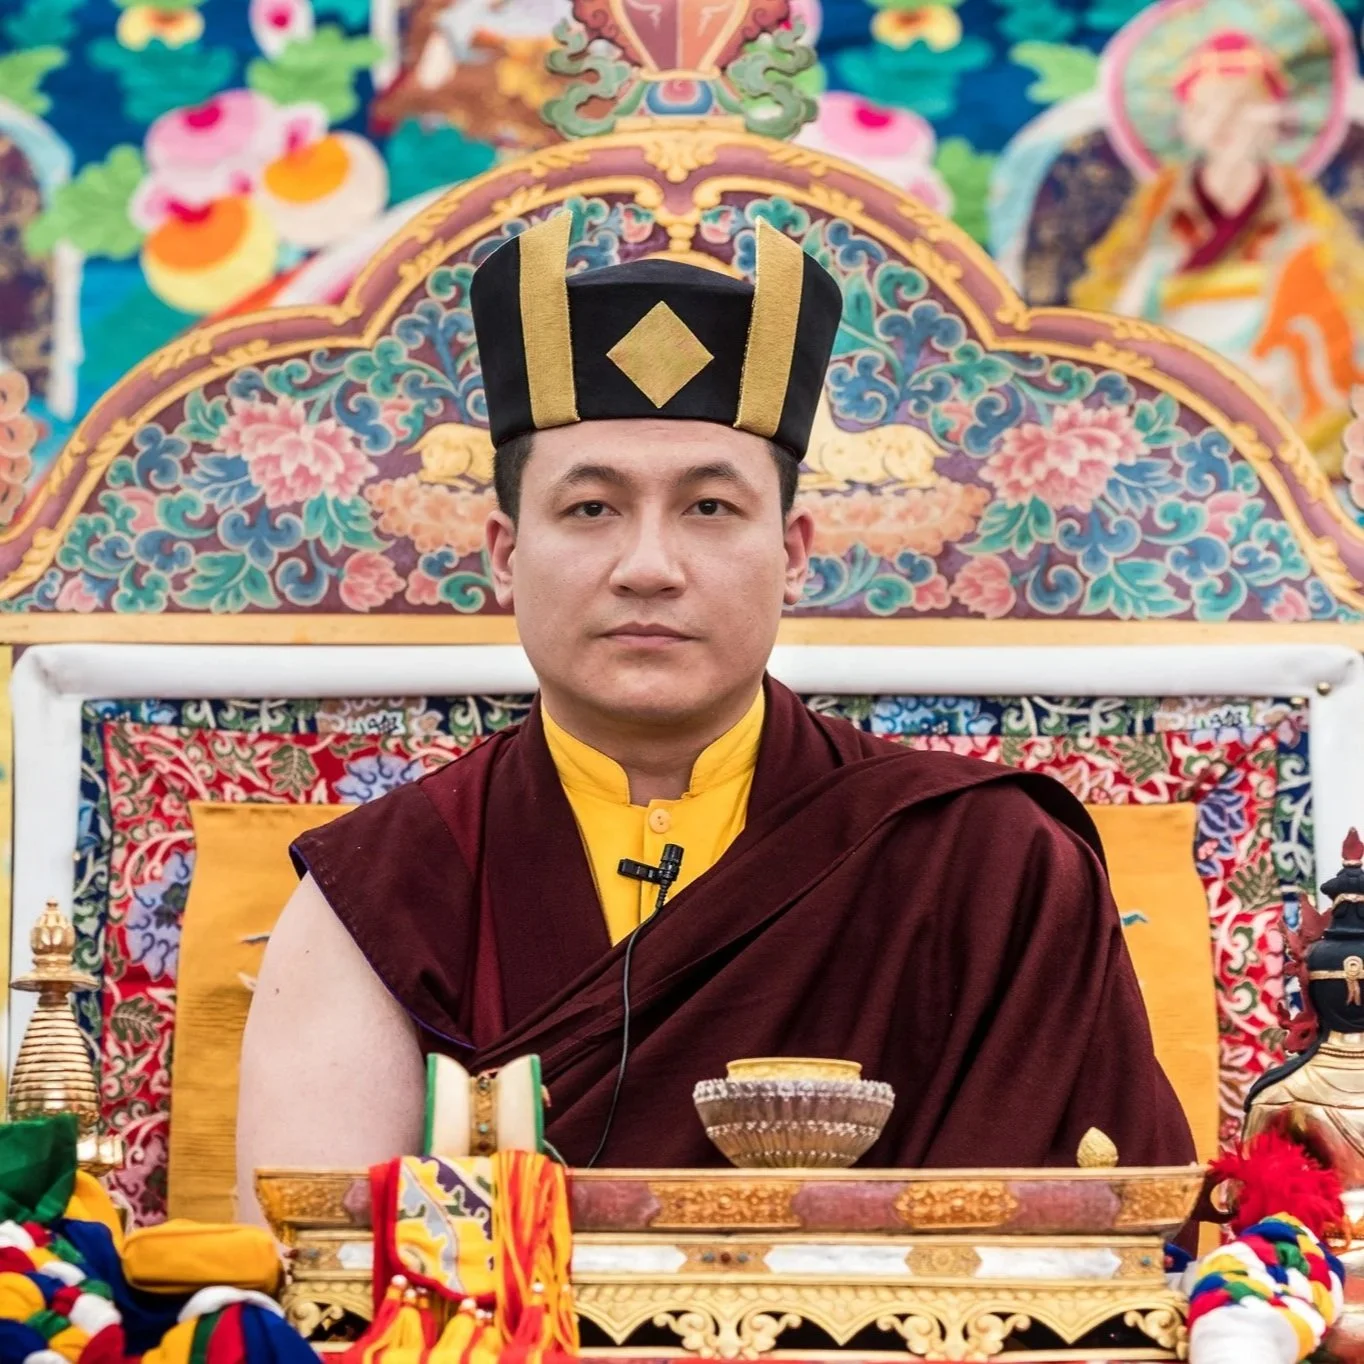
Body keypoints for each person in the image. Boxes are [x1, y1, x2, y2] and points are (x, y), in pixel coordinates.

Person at [236, 214, 1194, 1222]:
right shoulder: (384, 890)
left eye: (707, 508)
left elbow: (1107, 1264)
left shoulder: (990, 865)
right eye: (591, 508)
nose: (648, 565)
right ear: (502, 551)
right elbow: (310, 1291)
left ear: (794, 549)